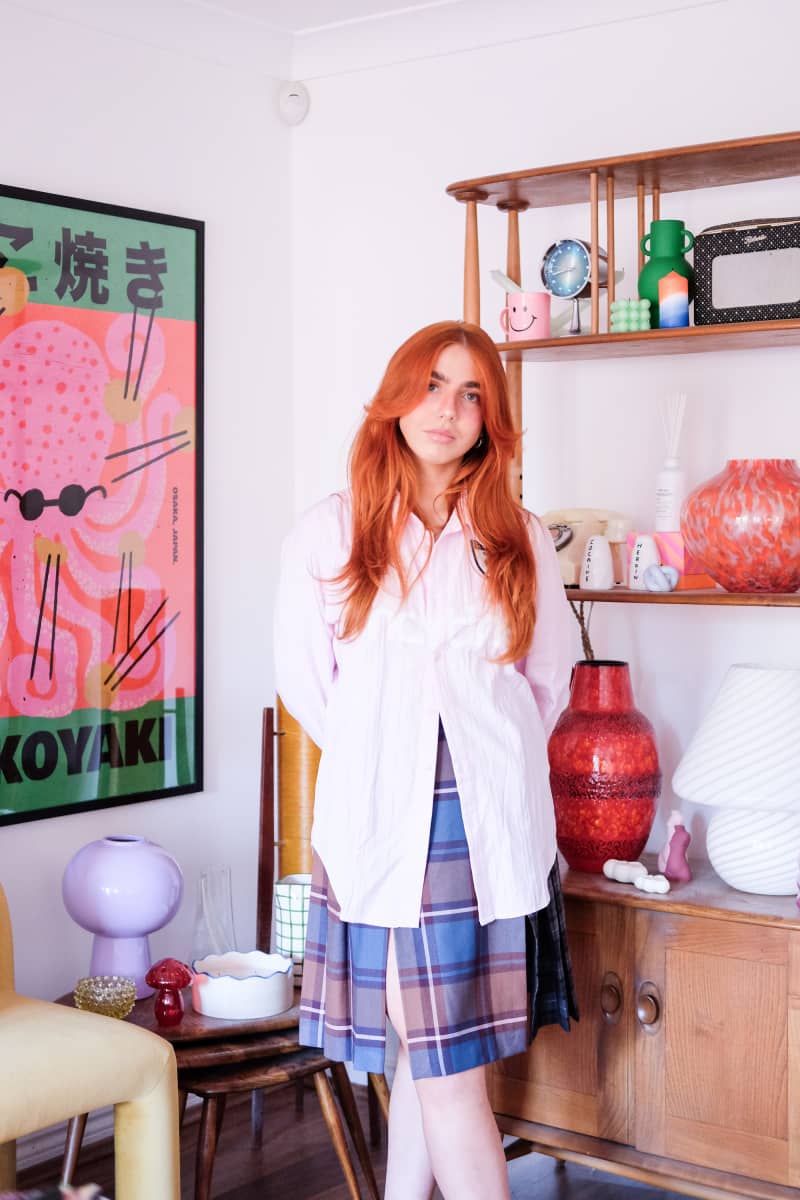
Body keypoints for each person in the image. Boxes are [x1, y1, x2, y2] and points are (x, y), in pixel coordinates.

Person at [274, 320, 578, 1200]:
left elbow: (543, 685)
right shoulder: (327, 536)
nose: (448, 409)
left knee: (437, 1062)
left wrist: (480, 758)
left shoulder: (518, 537)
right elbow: (310, 689)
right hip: (384, 825)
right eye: (434, 385)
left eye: (472, 393)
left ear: (492, 418)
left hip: (487, 828)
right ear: (397, 397)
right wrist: (390, 754)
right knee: (448, 1077)